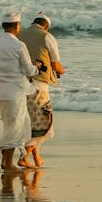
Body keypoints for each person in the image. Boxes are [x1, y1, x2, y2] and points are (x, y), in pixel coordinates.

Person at [0, 12, 41, 171]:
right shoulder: (19, 45)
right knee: (15, 128)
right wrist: (37, 67)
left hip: (0, 90)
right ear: (17, 26)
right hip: (15, 91)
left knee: (10, 125)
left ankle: (7, 160)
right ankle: (8, 163)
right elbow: (28, 70)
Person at [16, 12, 66, 168]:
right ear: (47, 26)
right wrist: (61, 71)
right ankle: (25, 155)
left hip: (19, 84)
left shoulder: (18, 34)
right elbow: (56, 64)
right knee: (45, 123)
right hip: (38, 84)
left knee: (31, 122)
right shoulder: (47, 36)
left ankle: (37, 158)